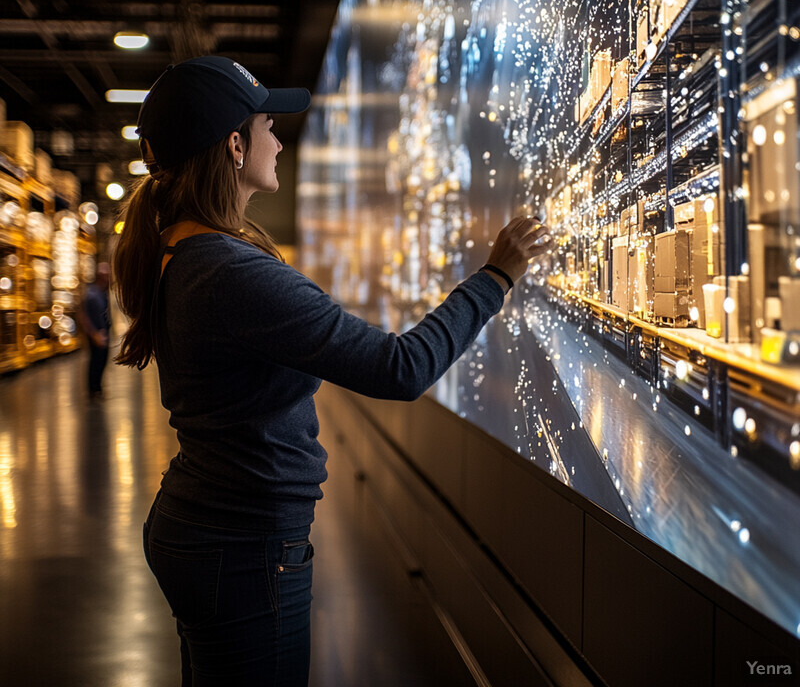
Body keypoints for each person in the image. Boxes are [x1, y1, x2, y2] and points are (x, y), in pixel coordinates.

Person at [112, 55, 550, 687]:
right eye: (268, 124)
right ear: (234, 146)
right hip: (244, 551)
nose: (279, 138)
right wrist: (496, 276)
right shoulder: (230, 272)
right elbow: (402, 368)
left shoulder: (187, 252)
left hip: (212, 532)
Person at [80, 261, 111, 397]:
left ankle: (97, 387)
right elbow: (84, 316)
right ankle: (93, 388)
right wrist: (93, 333)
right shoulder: (92, 294)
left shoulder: (100, 293)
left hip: (102, 333)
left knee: (101, 360)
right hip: (96, 334)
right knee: (96, 360)